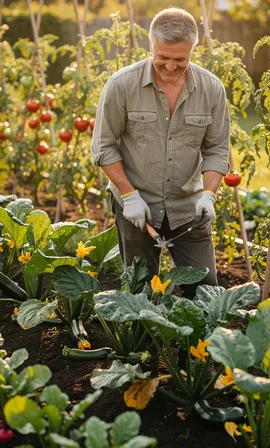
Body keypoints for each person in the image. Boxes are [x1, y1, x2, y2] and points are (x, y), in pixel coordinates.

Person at [91, 7, 230, 293]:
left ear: (194, 49)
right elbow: (103, 147)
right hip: (137, 209)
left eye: (180, 59)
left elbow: (217, 149)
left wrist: (208, 195)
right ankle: (145, 339)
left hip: (189, 209)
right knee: (139, 293)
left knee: (206, 291)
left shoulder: (211, 89)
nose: (170, 66)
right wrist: (129, 197)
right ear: (151, 45)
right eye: (162, 58)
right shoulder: (122, 85)